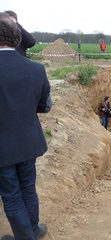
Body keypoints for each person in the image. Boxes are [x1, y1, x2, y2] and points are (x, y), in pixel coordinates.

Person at [0, 12, 52, 240]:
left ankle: (25, 237)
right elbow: (44, 106)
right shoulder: (36, 69)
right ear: (17, 40)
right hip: (29, 140)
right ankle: (32, 231)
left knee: (11, 196)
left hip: (3, 146)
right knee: (28, 189)